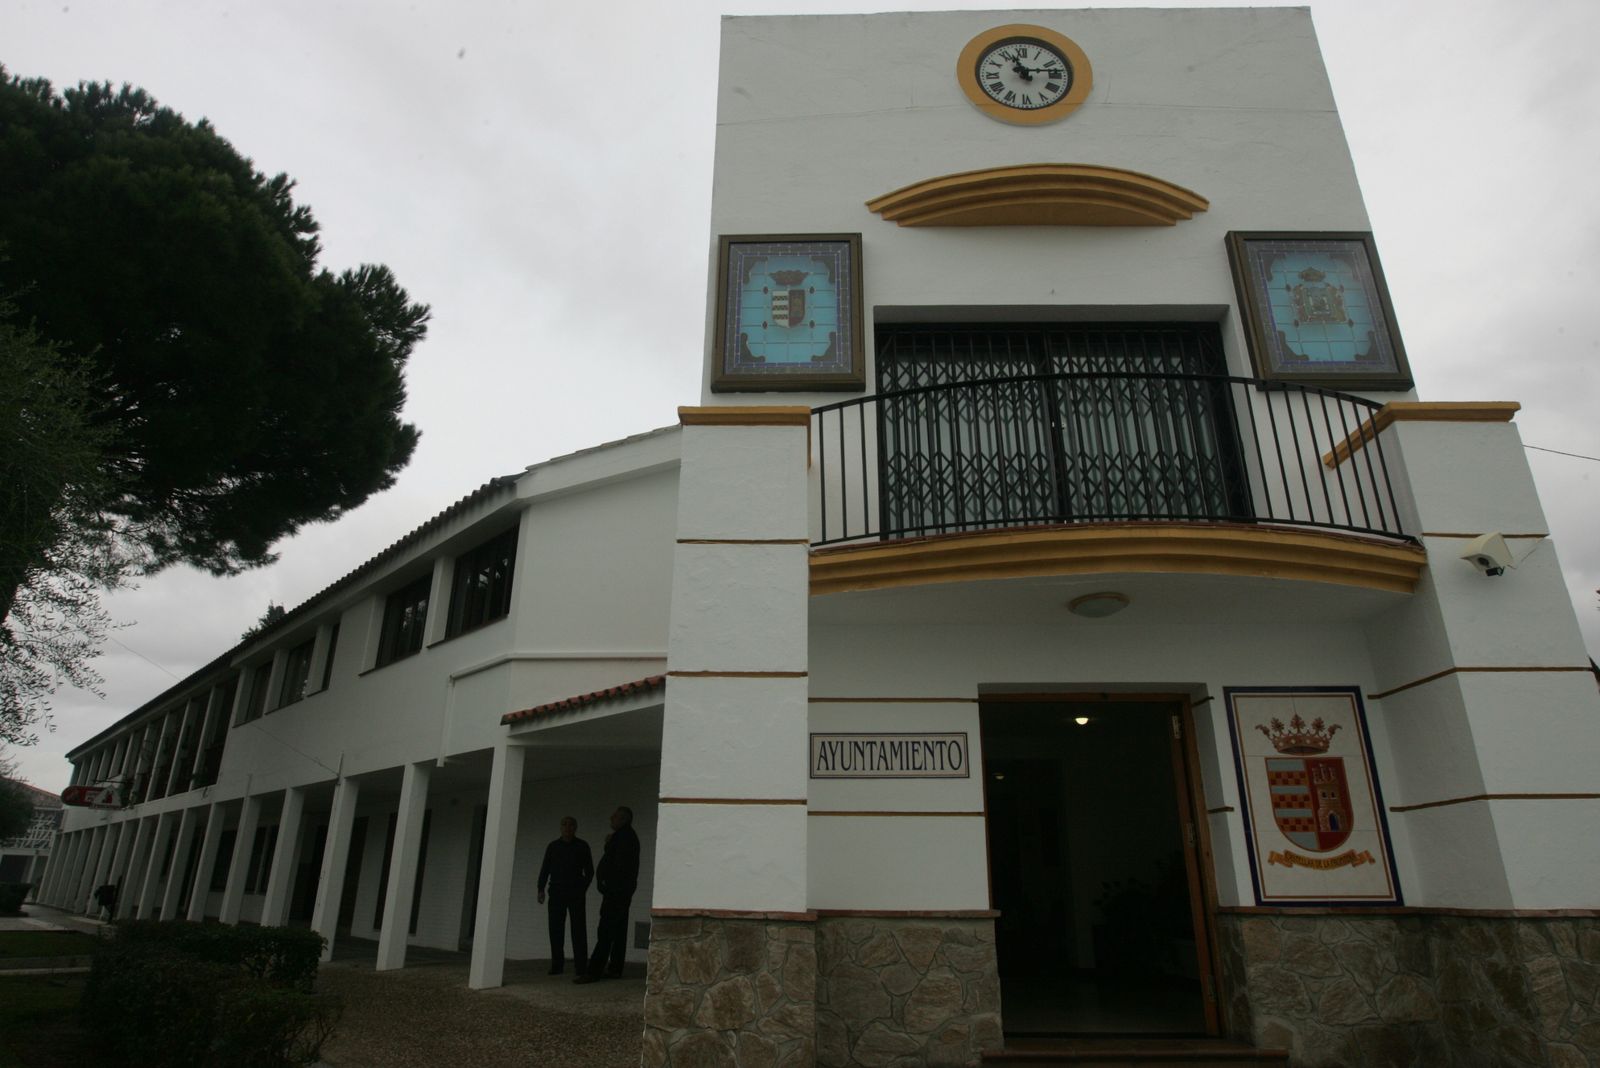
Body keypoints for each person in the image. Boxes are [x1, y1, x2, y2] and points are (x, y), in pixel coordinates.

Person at [575, 806, 639, 983]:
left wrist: (607, 884)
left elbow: (617, 865)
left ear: (623, 819)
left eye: (615, 816)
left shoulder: (623, 838)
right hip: (622, 891)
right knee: (618, 930)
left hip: (616, 891)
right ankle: (615, 968)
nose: (611, 818)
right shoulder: (627, 837)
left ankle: (594, 971)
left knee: (606, 930)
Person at [536, 816, 593, 975]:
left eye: (571, 825)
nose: (567, 827)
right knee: (555, 929)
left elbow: (589, 871)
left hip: (575, 893)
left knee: (578, 930)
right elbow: (545, 869)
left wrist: (582, 888)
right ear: (560, 828)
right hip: (556, 892)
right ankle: (557, 964)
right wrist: (540, 889)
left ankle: (581, 966)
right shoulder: (553, 847)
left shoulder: (582, 846)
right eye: (564, 824)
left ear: (576, 828)